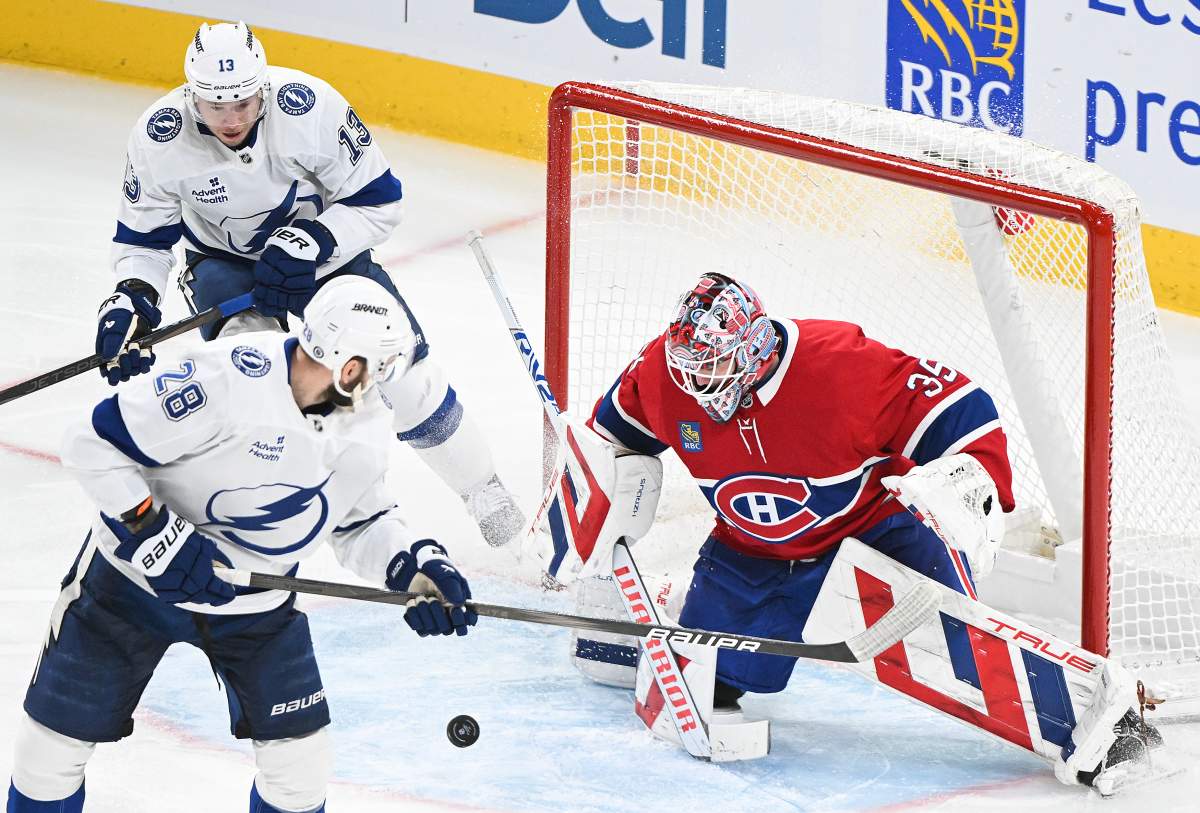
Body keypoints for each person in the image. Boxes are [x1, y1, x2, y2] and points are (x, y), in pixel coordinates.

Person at [8, 277, 478, 813]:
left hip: (254, 613)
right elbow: (92, 444)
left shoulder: (365, 421)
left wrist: (416, 565)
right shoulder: (222, 378)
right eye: (381, 367)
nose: (383, 383)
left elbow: (357, 519)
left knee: (299, 775)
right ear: (349, 366)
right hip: (127, 592)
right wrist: (153, 532)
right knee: (47, 758)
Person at [93, 20, 522, 546]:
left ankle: (483, 490)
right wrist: (131, 300)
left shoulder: (311, 109)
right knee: (251, 386)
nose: (231, 120)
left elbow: (381, 202)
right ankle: (271, 512)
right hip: (224, 264)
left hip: (327, 257)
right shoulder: (159, 136)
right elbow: (143, 240)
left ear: (264, 90)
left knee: (399, 371)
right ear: (191, 95)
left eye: (243, 104)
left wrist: (316, 239)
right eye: (214, 106)